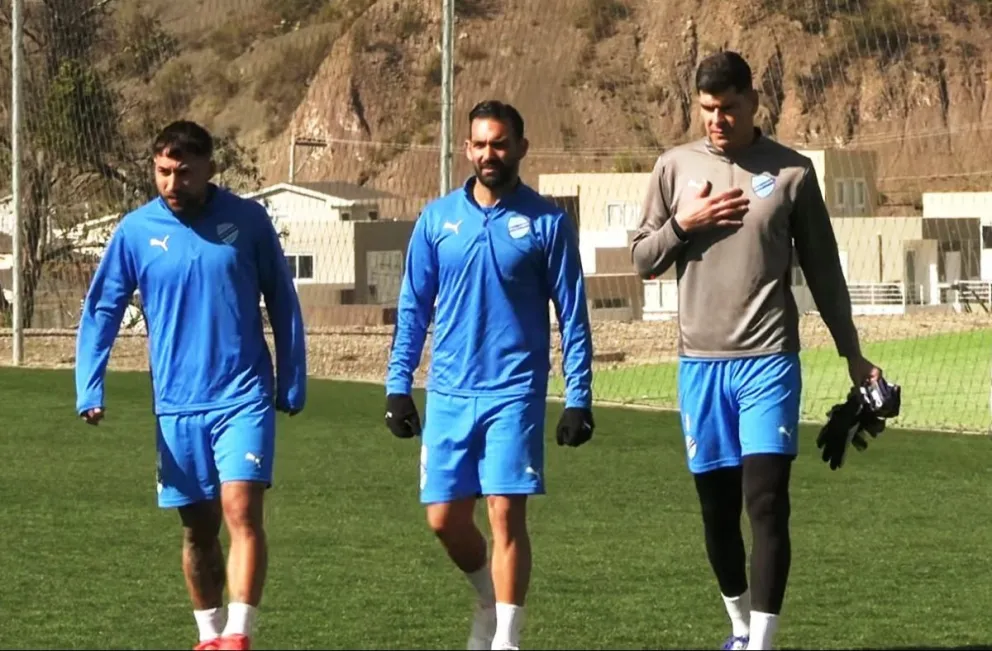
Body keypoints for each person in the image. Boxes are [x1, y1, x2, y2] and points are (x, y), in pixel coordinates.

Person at [630, 51, 885, 651]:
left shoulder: (792, 172)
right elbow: (643, 259)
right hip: (700, 365)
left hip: (769, 359)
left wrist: (853, 354)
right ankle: (740, 626)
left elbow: (824, 273)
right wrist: (684, 223)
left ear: (753, 102)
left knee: (766, 501)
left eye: (728, 108)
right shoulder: (673, 168)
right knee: (717, 512)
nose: (717, 120)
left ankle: (763, 644)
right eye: (707, 110)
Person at [75, 120, 307, 651]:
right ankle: (209, 636)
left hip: (243, 394)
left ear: (210, 168)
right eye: (162, 171)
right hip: (177, 404)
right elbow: (103, 308)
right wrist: (90, 386)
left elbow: (282, 302)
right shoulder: (136, 231)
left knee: (241, 510)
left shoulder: (247, 221)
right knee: (198, 530)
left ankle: (239, 634)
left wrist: (291, 378)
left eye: (183, 172)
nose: (172, 183)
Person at [384, 99, 596, 651]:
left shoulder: (547, 222)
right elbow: (413, 308)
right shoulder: (437, 219)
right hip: (450, 393)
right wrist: (397, 385)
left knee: (504, 511)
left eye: (499, 143)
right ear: (467, 149)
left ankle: (506, 638)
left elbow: (571, 314)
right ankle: (487, 596)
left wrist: (579, 396)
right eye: (479, 144)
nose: (488, 154)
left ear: (521, 148)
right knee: (443, 518)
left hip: (514, 392)